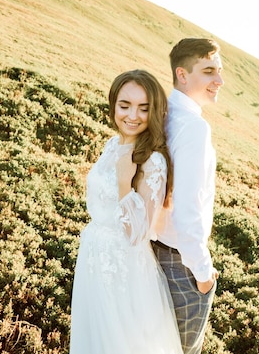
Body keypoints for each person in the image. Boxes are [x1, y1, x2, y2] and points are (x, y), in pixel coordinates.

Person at [69, 69, 183, 354]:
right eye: (125, 105)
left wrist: (124, 184)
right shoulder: (112, 144)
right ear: (113, 106)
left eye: (144, 108)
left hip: (124, 268)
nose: (133, 115)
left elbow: (137, 234)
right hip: (94, 255)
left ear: (154, 112)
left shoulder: (153, 161)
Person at [151, 38, 223, 354]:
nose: (219, 81)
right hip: (181, 265)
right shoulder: (193, 127)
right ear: (182, 74)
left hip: (153, 252)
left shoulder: (161, 114)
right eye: (208, 71)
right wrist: (203, 274)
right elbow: (188, 208)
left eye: (218, 72)